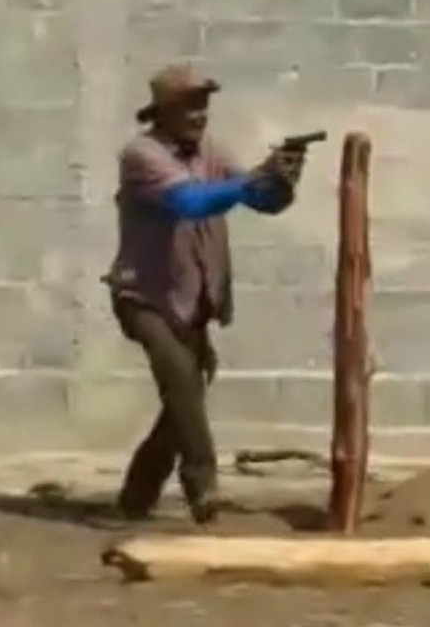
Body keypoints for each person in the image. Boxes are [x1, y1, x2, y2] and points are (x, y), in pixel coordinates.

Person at [102, 64, 304, 524]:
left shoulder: (210, 150)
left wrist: (282, 180)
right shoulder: (141, 153)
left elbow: (261, 202)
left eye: (203, 105)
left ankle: (137, 494)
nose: (198, 115)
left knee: (184, 398)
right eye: (188, 106)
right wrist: (254, 179)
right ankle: (204, 487)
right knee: (182, 382)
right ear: (163, 111)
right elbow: (190, 202)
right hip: (144, 297)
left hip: (192, 301)